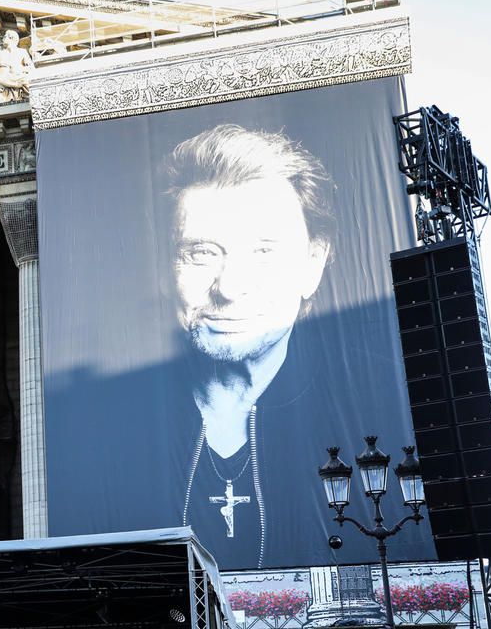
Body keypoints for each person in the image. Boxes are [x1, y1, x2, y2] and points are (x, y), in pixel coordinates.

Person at [160, 123, 378, 570]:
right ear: (164, 266)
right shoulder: (105, 421)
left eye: (263, 252)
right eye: (201, 253)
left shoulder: (375, 403)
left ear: (313, 263)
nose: (229, 288)